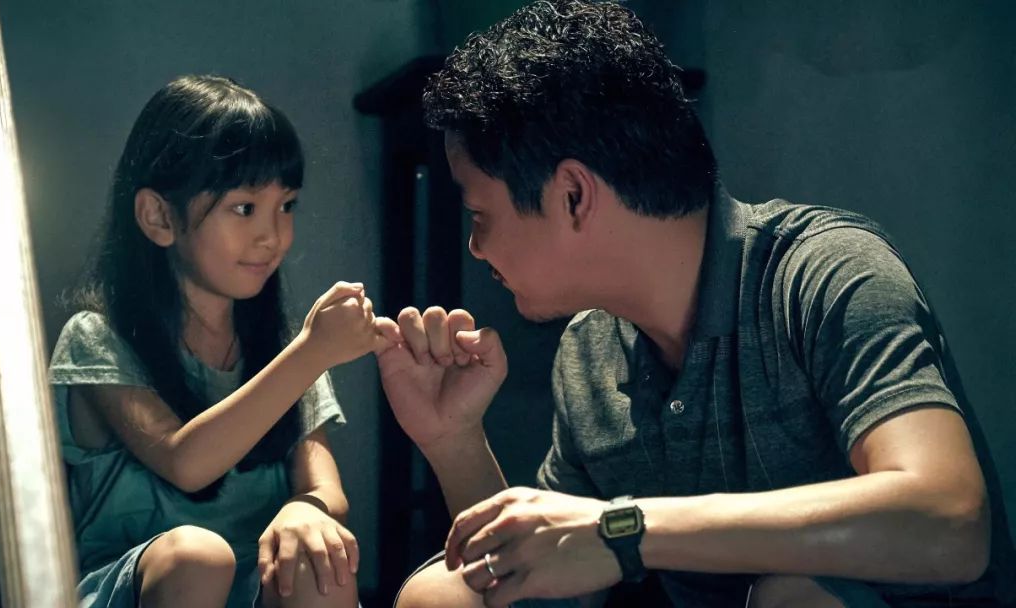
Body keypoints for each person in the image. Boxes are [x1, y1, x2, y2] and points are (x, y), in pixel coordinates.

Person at [372, 1, 1016, 606]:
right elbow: (543, 587)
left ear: (573, 196)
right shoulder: (590, 351)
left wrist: (625, 529)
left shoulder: (823, 273)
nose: (476, 247)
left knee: (797, 594)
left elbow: (951, 522)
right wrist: (453, 440)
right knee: (440, 594)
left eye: (480, 214)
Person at [49, 75, 387, 608]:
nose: (273, 236)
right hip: (137, 586)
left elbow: (326, 489)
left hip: (257, 583)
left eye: (287, 205)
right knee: (198, 556)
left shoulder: (284, 348)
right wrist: (312, 353)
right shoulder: (97, 338)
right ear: (159, 217)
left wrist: (306, 509)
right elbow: (185, 463)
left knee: (322, 566)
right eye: (245, 208)